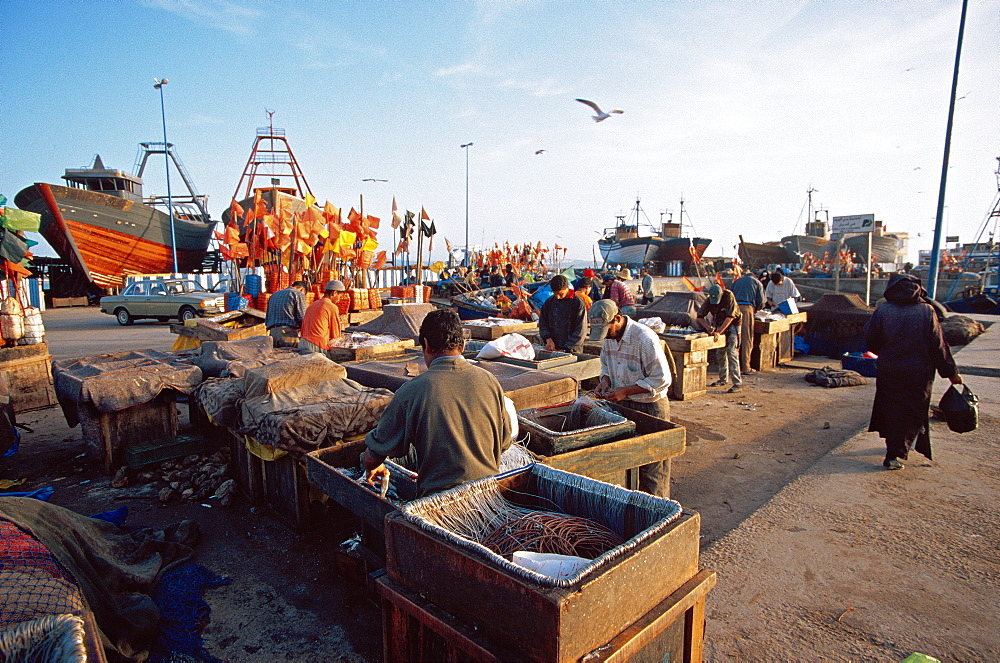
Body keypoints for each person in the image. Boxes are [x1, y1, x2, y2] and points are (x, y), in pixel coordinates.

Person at [363, 309, 513, 496]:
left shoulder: (411, 391)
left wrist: (371, 466)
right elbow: (505, 442)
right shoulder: (490, 381)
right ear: (463, 345)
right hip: (490, 495)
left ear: (425, 345)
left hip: (439, 503)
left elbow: (375, 453)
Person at [864, 273, 962, 470]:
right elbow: (938, 345)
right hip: (919, 373)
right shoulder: (927, 311)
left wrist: (886, 351)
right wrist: (951, 372)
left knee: (891, 409)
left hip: (890, 370)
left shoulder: (883, 310)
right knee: (912, 411)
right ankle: (895, 453)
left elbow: (870, 340)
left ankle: (894, 447)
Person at [588, 299, 672, 497]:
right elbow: (606, 366)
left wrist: (625, 391)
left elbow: (662, 379)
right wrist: (605, 381)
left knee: (652, 468)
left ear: (617, 319)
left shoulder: (644, 338)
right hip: (624, 406)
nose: (605, 336)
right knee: (628, 462)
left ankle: (656, 512)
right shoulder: (608, 339)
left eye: (606, 330)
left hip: (650, 407)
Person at [697, 284, 742, 393]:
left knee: (731, 352)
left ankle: (737, 382)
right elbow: (699, 316)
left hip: (732, 324)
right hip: (718, 323)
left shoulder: (729, 296)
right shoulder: (709, 300)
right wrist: (708, 328)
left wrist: (718, 332)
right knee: (720, 353)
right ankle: (723, 379)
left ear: (721, 294)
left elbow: (730, 317)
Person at [538, 275, 589, 353]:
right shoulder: (550, 302)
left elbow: (581, 330)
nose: (558, 297)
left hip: (573, 350)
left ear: (567, 288)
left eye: (561, 294)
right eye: (555, 294)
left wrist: (566, 349)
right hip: (553, 348)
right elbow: (543, 323)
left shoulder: (577, 303)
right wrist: (548, 339)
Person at [298, 280, 349, 356]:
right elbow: (335, 335)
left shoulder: (313, 304)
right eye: (339, 296)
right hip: (316, 345)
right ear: (334, 293)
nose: (339, 300)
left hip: (302, 343)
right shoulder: (331, 307)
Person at [730, 270, 766, 374]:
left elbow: (729, 296)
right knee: (747, 338)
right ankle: (746, 367)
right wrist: (756, 310)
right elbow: (762, 301)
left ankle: (732, 367)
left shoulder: (736, 281)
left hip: (734, 309)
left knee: (734, 337)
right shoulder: (757, 283)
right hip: (746, 309)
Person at [265, 280, 308, 348]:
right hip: (287, 334)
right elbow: (302, 316)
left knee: (277, 357)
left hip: (273, 334)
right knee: (291, 355)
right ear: (302, 289)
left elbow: (267, 317)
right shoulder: (298, 294)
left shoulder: (274, 295)